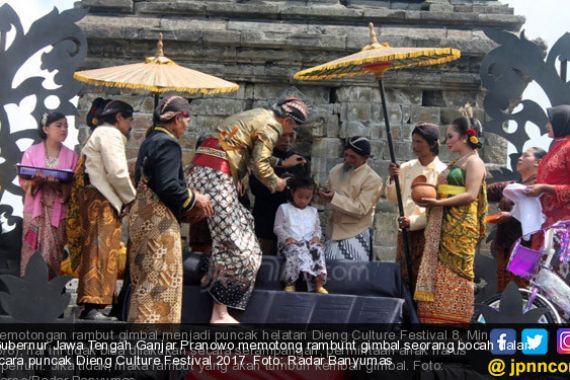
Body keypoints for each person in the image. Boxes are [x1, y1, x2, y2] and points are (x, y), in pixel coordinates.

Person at [187, 96, 309, 324]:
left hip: (207, 172)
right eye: (293, 125)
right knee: (236, 245)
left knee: (247, 235)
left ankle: (213, 282)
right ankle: (220, 312)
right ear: (288, 120)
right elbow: (260, 165)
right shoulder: (272, 125)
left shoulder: (259, 115)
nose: (290, 130)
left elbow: (251, 155)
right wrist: (277, 182)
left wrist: (281, 164)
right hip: (216, 174)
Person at [128, 96, 213, 323]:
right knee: (159, 282)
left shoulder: (149, 141)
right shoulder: (168, 144)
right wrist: (196, 198)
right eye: (186, 119)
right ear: (176, 119)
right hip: (159, 224)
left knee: (145, 281)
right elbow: (168, 186)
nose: (187, 125)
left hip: (142, 218)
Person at [415, 115, 488, 324]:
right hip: (442, 223)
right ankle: (432, 324)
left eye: (450, 136)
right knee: (437, 274)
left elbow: (471, 194)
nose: (446, 141)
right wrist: (431, 199)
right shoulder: (457, 162)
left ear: (465, 137)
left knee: (457, 274)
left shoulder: (474, 161)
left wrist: (439, 203)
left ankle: (454, 324)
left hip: (461, 226)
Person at [76, 100, 137, 321]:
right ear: (119, 117)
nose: (131, 126)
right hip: (100, 199)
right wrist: (131, 198)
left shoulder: (102, 133)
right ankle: (92, 306)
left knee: (105, 251)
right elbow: (117, 172)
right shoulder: (110, 134)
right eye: (129, 120)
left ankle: (99, 304)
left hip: (99, 198)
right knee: (99, 251)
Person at [386, 123, 447, 286]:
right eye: (413, 141)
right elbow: (393, 198)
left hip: (427, 233)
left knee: (422, 279)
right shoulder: (406, 167)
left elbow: (440, 209)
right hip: (404, 231)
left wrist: (413, 222)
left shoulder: (443, 171)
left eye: (419, 142)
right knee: (402, 277)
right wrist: (393, 179)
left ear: (432, 143)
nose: (415, 146)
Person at [19, 111, 78, 278]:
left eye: (66, 126)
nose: (64, 129)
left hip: (57, 212)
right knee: (32, 250)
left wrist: (60, 185)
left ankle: (50, 292)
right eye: (58, 125)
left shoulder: (72, 156)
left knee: (53, 252)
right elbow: (25, 182)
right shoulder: (31, 152)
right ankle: (29, 290)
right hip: (35, 211)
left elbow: (74, 186)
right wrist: (37, 181)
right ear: (45, 129)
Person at [487, 147, 545, 292]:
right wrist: (452, 189)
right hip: (505, 245)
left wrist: (511, 216)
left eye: (526, 155)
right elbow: (481, 192)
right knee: (504, 289)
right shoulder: (511, 186)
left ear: (538, 162)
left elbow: (539, 217)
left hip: (527, 247)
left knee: (521, 288)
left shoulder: (541, 188)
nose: (520, 158)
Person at [319, 136, 383, 261]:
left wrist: (334, 198)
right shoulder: (335, 170)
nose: (347, 159)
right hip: (332, 232)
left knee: (352, 276)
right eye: (346, 155)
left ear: (365, 159)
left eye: (353, 157)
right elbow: (326, 195)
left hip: (355, 233)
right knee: (328, 275)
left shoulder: (373, 179)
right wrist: (320, 194)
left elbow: (361, 209)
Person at [250, 129, 309, 255]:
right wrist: (280, 183)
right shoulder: (263, 159)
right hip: (265, 225)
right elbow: (256, 188)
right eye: (282, 136)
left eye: (291, 135)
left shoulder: (299, 161)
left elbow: (304, 193)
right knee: (264, 265)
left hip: (291, 229)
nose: (287, 140)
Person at [274, 176, 327, 294]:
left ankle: (319, 284)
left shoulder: (313, 211)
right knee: (294, 250)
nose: (303, 200)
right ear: (292, 193)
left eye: (307, 197)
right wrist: (288, 238)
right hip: (290, 243)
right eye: (300, 196)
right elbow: (277, 228)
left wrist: (317, 237)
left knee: (318, 250)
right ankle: (290, 283)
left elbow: (317, 228)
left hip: (309, 243)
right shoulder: (284, 208)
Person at [525, 105, 570, 228]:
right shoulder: (556, 147)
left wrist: (544, 188)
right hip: (545, 218)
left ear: (562, 121)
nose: (547, 125)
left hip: (563, 222)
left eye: (551, 121)